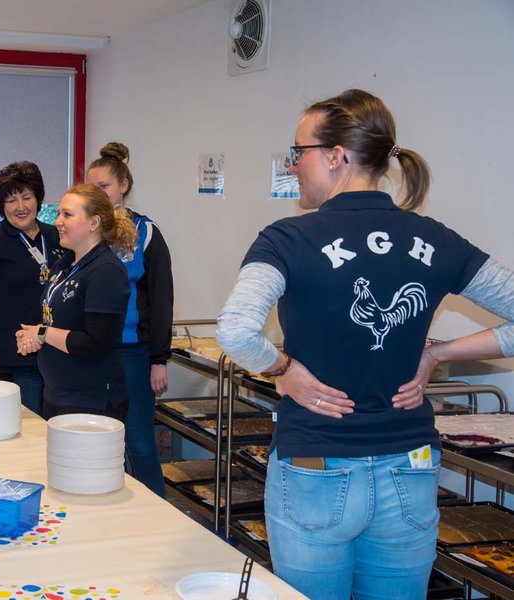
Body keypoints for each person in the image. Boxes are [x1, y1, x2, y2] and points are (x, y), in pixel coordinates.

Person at [216, 89, 514, 600]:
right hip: (410, 465)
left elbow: (235, 331)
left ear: (336, 156)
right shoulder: (436, 238)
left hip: (316, 465)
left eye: (299, 152)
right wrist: (436, 354)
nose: (293, 166)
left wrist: (283, 369)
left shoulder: (287, 239)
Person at [87, 141, 174, 497]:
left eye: (104, 186)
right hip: (92, 353)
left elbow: (162, 297)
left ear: (123, 185)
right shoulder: (86, 232)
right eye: (92, 188)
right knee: (100, 442)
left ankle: (158, 512)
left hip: (134, 353)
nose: (99, 194)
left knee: (138, 442)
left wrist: (159, 359)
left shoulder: (146, 232)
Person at [17, 183, 136, 420]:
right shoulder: (65, 264)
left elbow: (94, 343)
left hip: (91, 401)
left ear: (94, 223)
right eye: (59, 213)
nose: (58, 221)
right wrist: (32, 337)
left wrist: (42, 333)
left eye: (67, 214)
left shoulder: (106, 271)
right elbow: (58, 322)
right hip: (57, 395)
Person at [0, 161, 64, 414]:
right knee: (29, 427)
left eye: (27, 197)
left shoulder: (56, 236)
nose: (21, 207)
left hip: (59, 352)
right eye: (11, 200)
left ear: (38, 198)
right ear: (1, 206)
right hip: (17, 356)